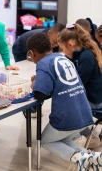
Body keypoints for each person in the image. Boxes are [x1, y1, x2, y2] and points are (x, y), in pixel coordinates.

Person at [27, 32, 102, 170]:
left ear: (32, 53)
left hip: (67, 117)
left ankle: (79, 158)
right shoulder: (64, 58)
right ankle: (90, 156)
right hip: (84, 113)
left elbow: (41, 94)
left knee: (45, 141)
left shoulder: (43, 64)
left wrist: (34, 84)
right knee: (63, 139)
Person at [58, 23, 102, 148]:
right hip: (92, 96)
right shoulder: (79, 54)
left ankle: (87, 137)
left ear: (71, 44)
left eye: (63, 48)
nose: (63, 52)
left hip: (95, 100)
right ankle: (88, 136)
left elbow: (77, 83)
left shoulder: (86, 57)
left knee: (67, 105)